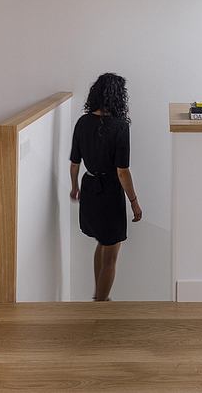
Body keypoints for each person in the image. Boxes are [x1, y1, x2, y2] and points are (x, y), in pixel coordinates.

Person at [69, 72, 142, 301]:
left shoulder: (82, 122)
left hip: (89, 186)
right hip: (110, 192)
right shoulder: (120, 126)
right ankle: (101, 303)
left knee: (102, 242)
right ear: (118, 97)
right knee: (111, 254)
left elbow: (74, 163)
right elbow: (122, 171)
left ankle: (97, 296)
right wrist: (134, 202)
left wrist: (74, 188)